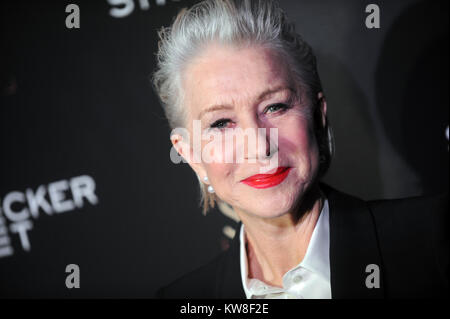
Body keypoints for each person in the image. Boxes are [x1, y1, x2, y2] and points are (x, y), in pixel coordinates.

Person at [152, 0, 448, 298]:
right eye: (221, 123)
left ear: (318, 116)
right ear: (192, 155)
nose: (259, 146)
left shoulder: (433, 240)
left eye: (275, 106)